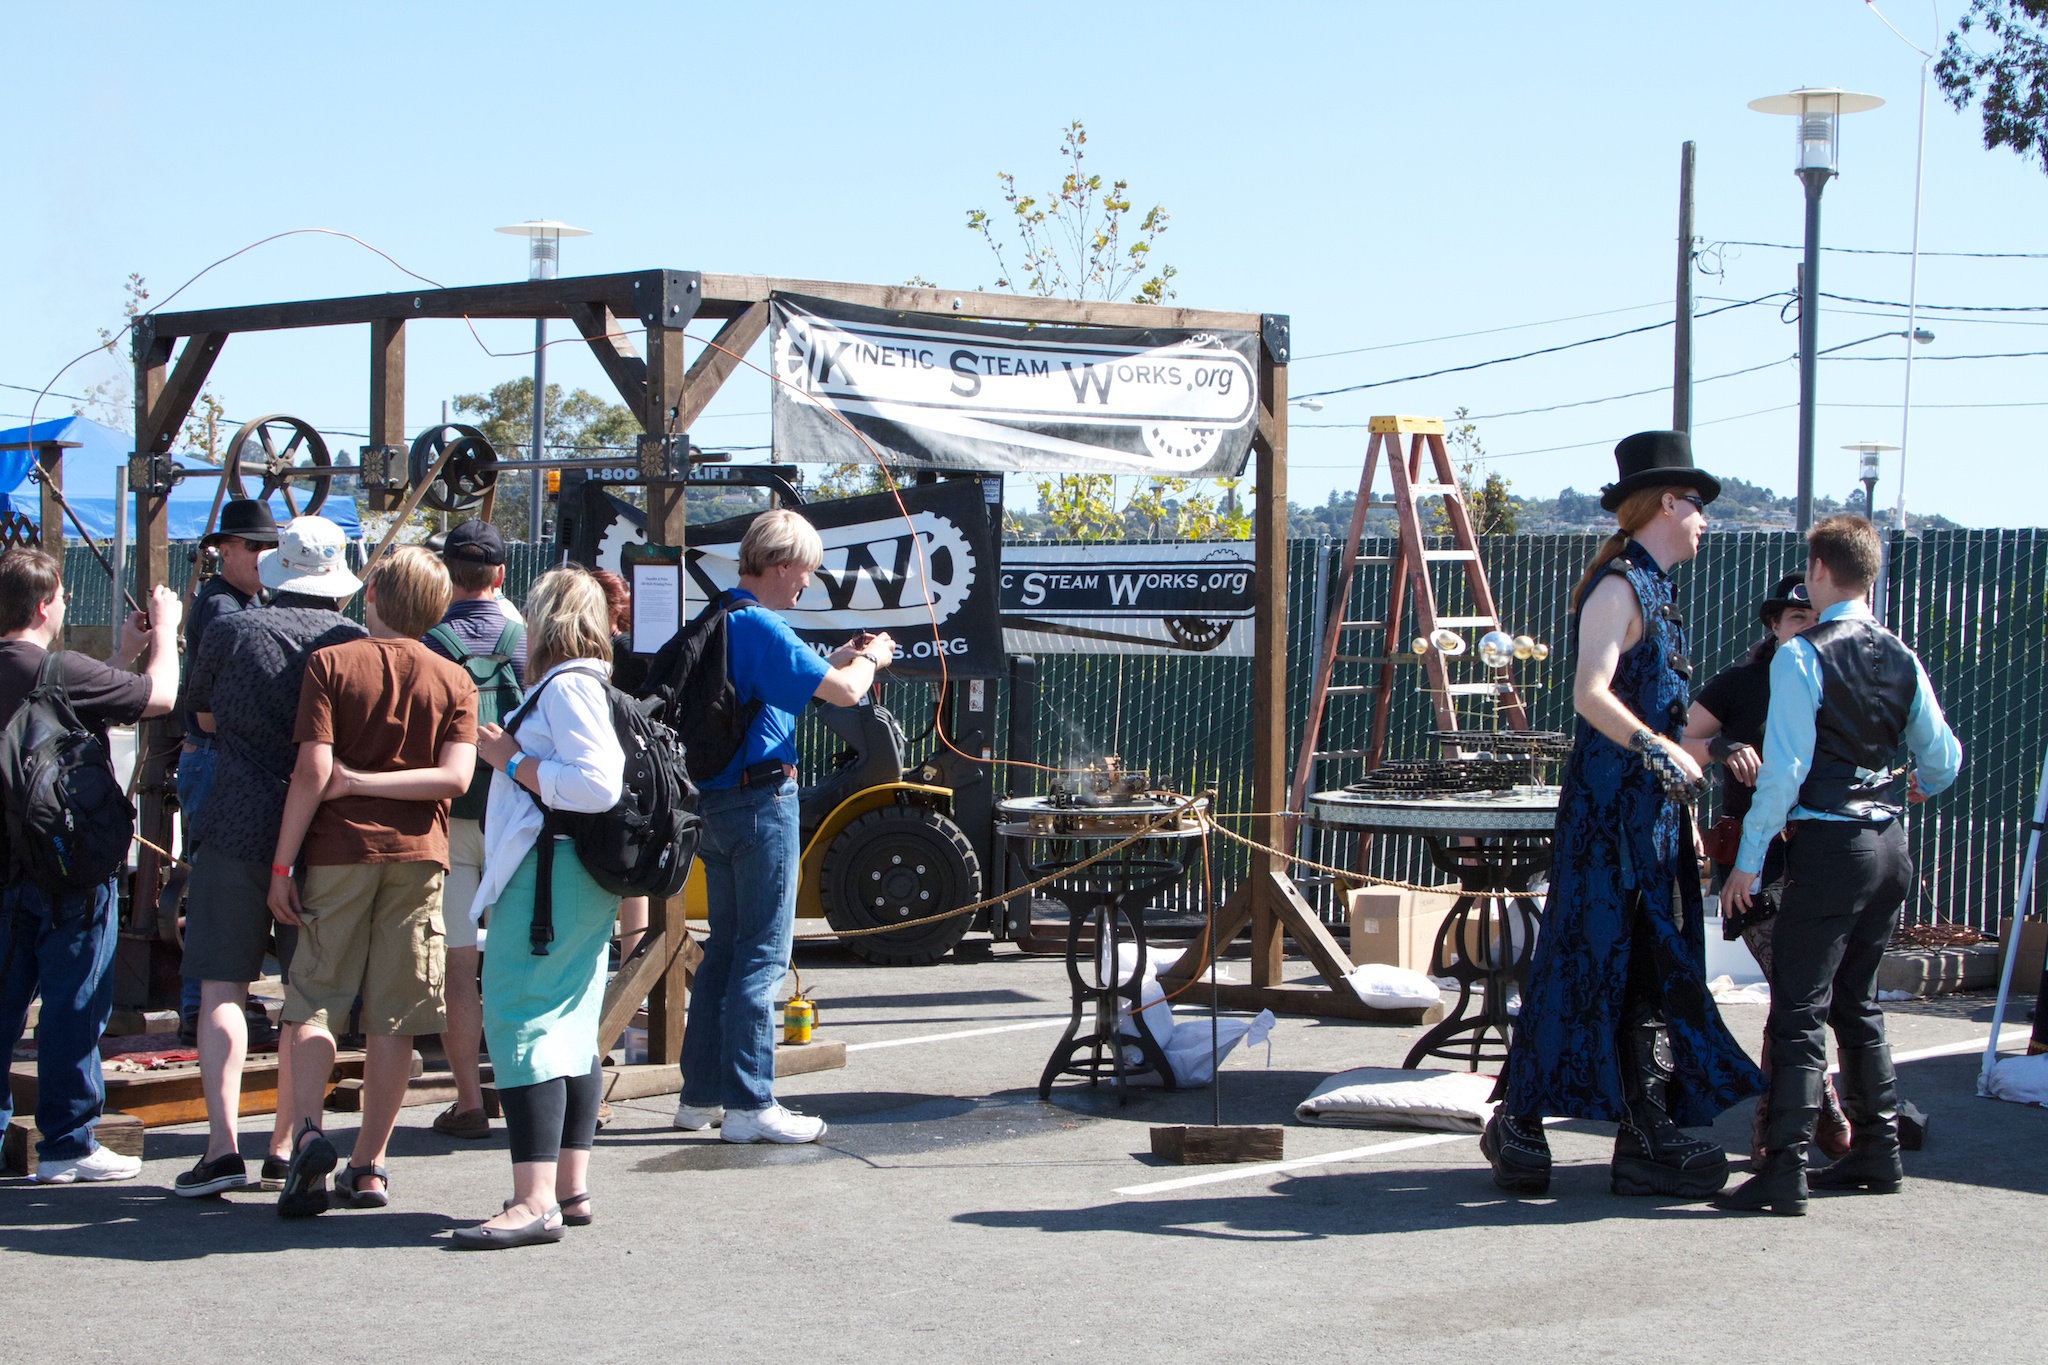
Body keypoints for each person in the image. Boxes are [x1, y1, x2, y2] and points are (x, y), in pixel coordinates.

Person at [1485, 431, 1763, 1198]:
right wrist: (1654, 746)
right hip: (1606, 821)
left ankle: (1644, 1134)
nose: (1706, 520)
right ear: (1669, 502)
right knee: (1583, 959)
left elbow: (1671, 724)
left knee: (1652, 972)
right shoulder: (1617, 587)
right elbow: (1588, 693)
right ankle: (1518, 1120)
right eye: (1699, 505)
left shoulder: (1660, 593)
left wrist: (1703, 748)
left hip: (1652, 825)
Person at [1717, 515, 1962, 1215]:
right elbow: (1943, 758)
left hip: (1830, 845)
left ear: (1819, 570)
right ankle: (1876, 1151)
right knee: (1857, 1001)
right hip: (1890, 843)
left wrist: (1748, 860)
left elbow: (1785, 769)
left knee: (1799, 1008)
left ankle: (1783, 1169)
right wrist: (1915, 783)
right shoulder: (1901, 654)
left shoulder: (1803, 655)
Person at [267, 546, 477, 1218]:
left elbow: (312, 772)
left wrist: (282, 864)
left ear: (374, 598)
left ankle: (306, 1132)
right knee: (397, 1016)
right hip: (419, 855)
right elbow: (457, 779)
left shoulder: (331, 665)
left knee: (314, 1000)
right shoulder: (455, 681)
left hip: (336, 850)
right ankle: (370, 1164)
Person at [673, 509, 894, 1144]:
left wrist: (836, 661)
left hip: (712, 805)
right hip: (760, 803)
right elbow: (846, 694)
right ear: (784, 564)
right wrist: (871, 659)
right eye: (809, 570)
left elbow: (783, 689)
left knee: (725, 949)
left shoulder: (722, 617)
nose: (809, 581)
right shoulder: (763, 625)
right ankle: (750, 1104)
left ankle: (701, 1095)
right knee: (762, 956)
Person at [174, 515, 367, 1198]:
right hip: (319, 830)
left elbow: (197, 716)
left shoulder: (233, 627)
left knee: (223, 985)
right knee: (306, 995)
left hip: (234, 818)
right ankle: (286, 1143)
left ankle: (221, 1145)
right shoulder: (354, 642)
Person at [453, 566, 625, 1248]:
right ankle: (567, 1186)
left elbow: (595, 783)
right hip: (575, 874)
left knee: (521, 1021)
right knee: (572, 1028)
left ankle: (533, 1200)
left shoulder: (564, 688)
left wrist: (511, 758)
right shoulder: (594, 684)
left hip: (546, 876)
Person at [0, 551, 179, 1183]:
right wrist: (165, 632)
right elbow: (160, 697)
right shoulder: (55, 667)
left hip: (9, 870)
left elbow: (64, 703)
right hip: (69, 868)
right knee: (74, 1006)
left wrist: (122, 655)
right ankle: (67, 1143)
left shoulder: (38, 672)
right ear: (46, 603)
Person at [1681, 574, 1853, 1166]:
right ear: (1774, 627)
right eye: (1794, 619)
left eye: (1813, 619)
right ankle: (1794, 1115)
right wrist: (1724, 748)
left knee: (1801, 994)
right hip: (1747, 867)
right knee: (1792, 987)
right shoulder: (1741, 682)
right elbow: (1680, 739)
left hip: (1819, 856)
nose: (1805, 627)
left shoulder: (1836, 676)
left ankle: (1799, 1110)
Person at [419, 519, 526, 1141]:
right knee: (518, 960)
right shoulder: (525, 641)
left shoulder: (426, 646)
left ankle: (467, 1102)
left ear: (446, 576)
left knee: (457, 963)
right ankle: (523, 1090)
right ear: (501, 576)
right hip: (514, 817)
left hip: (448, 815)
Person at [176, 499, 279, 1049]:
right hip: (214, 755)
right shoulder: (223, 609)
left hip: (216, 755)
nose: (264, 556)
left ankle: (208, 1001)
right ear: (225, 550)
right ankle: (200, 1006)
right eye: (255, 547)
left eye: (270, 547)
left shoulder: (243, 600)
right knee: (215, 885)